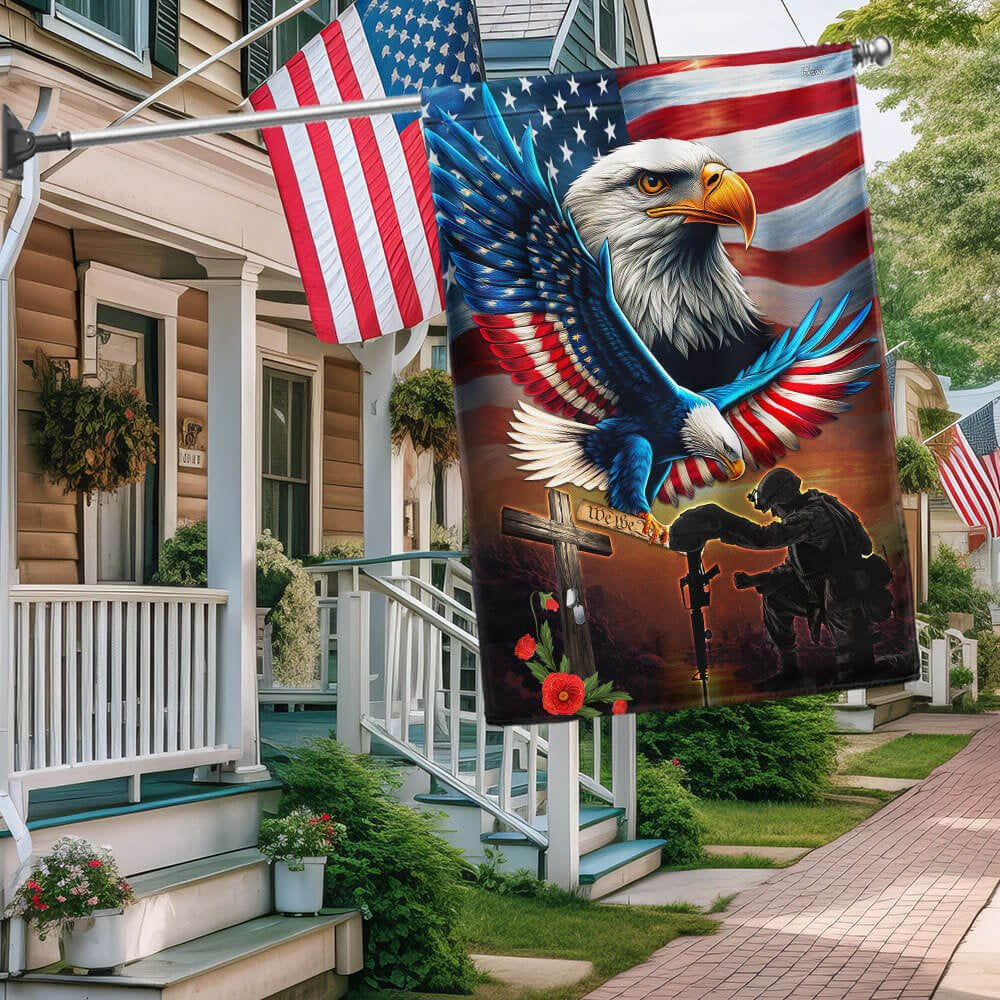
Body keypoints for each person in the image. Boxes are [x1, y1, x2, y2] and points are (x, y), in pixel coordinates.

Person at [668, 468, 892, 689]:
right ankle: (790, 672)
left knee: (854, 666)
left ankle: (858, 678)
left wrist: (720, 521)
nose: (774, 514)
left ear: (783, 500)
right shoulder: (810, 510)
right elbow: (797, 568)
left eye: (774, 507)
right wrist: (758, 579)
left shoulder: (811, 517)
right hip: (822, 591)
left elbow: (766, 537)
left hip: (844, 594)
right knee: (775, 599)